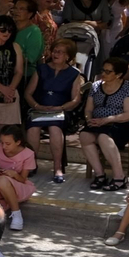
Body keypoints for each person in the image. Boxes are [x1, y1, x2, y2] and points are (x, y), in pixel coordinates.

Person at [23, 38, 84, 183]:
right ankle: (31, 164)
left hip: (60, 111)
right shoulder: (41, 69)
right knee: (33, 128)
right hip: (39, 109)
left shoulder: (74, 73)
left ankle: (57, 167)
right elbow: (28, 93)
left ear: (67, 56)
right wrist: (37, 106)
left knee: (54, 128)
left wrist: (60, 107)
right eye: (54, 51)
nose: (55, 54)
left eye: (60, 52)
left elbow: (76, 100)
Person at [79, 58, 129, 191]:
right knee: (84, 136)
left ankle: (119, 177)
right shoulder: (96, 86)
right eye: (103, 70)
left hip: (123, 124)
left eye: (108, 72)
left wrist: (107, 120)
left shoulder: (128, 88)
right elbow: (88, 109)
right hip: (99, 123)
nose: (103, 74)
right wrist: (89, 120)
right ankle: (100, 175)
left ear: (118, 74)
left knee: (103, 137)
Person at [0, 127, 35, 232]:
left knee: (2, 180)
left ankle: (16, 214)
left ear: (18, 142)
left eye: (7, 144)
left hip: (17, 185)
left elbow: (22, 179)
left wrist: (14, 174)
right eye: (2, 142)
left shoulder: (28, 154)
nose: (3, 146)